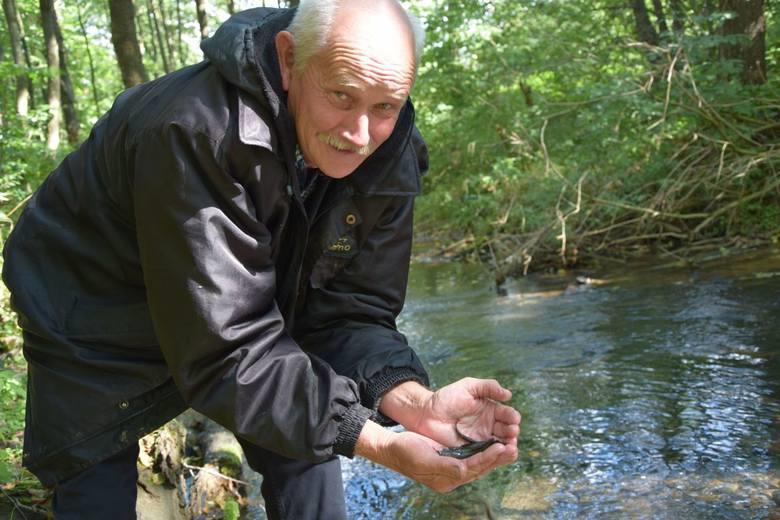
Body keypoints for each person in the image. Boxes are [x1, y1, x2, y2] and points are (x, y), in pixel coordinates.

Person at [2, 1, 521, 518]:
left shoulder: (390, 152)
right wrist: (381, 445)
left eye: (386, 106)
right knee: (96, 489)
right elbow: (226, 350)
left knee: (310, 442)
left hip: (238, 308)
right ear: (290, 58)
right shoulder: (194, 131)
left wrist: (415, 405)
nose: (360, 135)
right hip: (88, 303)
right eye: (342, 95)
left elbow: (349, 310)